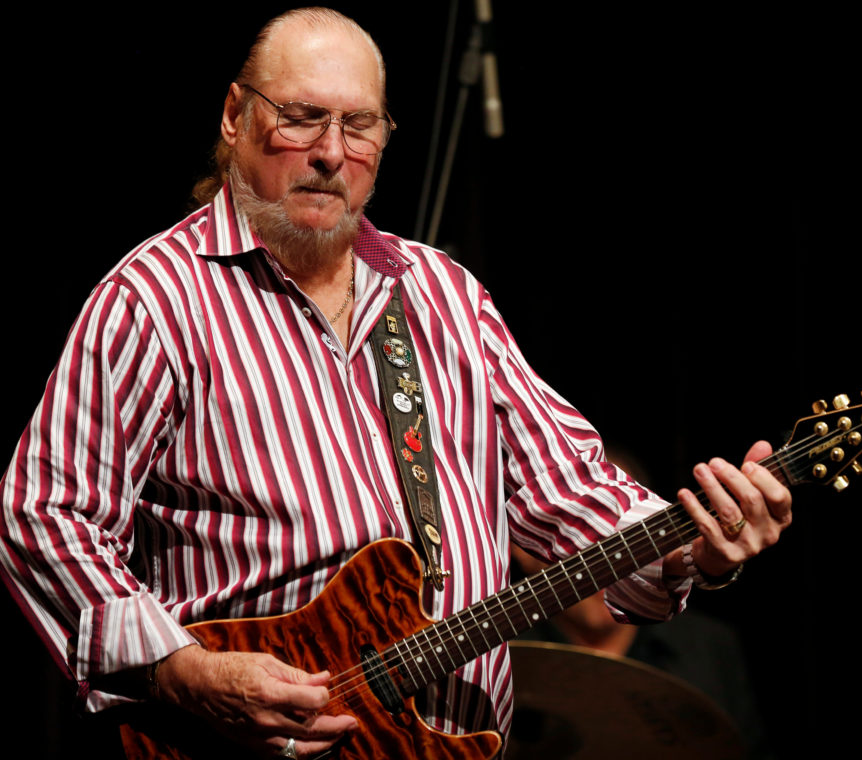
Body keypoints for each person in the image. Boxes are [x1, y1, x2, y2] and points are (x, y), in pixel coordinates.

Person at [0, 8, 791, 759]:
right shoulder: (158, 298)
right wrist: (181, 669)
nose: (331, 152)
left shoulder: (443, 294)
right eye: (302, 116)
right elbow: (47, 515)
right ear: (234, 117)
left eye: (360, 125)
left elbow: (572, 495)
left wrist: (697, 551)